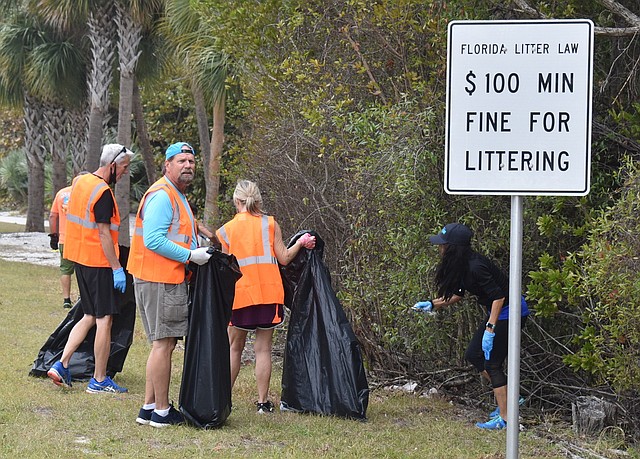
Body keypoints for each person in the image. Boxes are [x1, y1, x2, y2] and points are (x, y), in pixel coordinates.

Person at [412, 222, 530, 430]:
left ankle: (506, 419)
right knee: (474, 355)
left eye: (443, 244)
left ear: (453, 248)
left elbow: (498, 297)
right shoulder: (461, 265)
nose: (439, 248)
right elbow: (457, 295)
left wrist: (490, 329)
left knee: (492, 363)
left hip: (511, 312)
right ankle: (511, 398)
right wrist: (432, 304)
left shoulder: (476, 266)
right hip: (499, 312)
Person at [128, 142, 212, 428]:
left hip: (159, 277)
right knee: (164, 344)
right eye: (181, 161)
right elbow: (153, 239)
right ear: (168, 164)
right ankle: (162, 412)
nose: (188, 165)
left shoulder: (176, 195)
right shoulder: (164, 195)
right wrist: (190, 255)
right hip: (161, 278)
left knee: (160, 344)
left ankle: (149, 407)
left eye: (191, 161)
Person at [216, 180, 316, 413]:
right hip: (269, 295)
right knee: (263, 349)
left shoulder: (226, 230)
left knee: (234, 348)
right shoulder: (270, 225)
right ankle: (263, 403)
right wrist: (301, 243)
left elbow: (224, 269)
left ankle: (224, 399)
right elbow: (284, 258)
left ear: (236, 201)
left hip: (240, 296)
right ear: (258, 200)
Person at [47, 144, 134, 394]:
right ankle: (99, 380)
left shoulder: (81, 182)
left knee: (89, 315)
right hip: (99, 263)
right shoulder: (103, 192)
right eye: (124, 167)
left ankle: (62, 364)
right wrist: (117, 268)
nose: (125, 173)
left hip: (80, 260)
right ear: (112, 165)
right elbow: (105, 234)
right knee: (104, 320)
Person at [48, 185, 74, 308]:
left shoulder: (61, 193)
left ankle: (66, 299)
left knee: (65, 269)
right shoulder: (86, 192)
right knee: (82, 268)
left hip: (64, 239)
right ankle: (82, 297)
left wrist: (54, 236)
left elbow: (53, 216)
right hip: (81, 240)